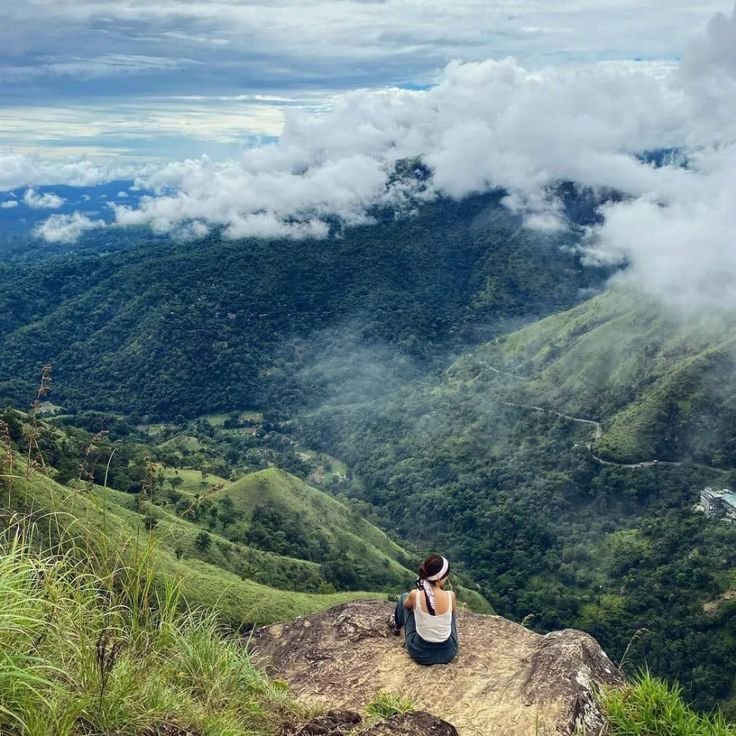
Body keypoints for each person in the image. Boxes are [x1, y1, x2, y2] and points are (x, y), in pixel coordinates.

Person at [389, 554, 458, 665]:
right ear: (440, 579)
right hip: (448, 653)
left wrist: (419, 603)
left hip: (421, 654)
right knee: (452, 612)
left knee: (404, 598)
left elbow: (406, 606)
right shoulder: (451, 595)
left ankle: (396, 626)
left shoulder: (415, 595)